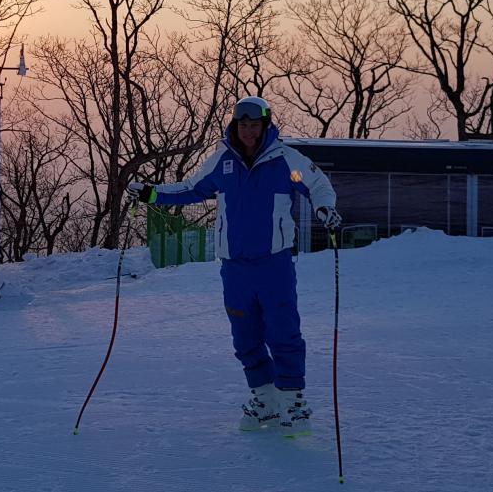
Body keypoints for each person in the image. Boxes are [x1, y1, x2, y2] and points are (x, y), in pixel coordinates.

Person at [127, 96, 341, 434]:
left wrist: (324, 208)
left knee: (283, 331)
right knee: (245, 336)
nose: (248, 130)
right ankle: (265, 399)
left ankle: (293, 402)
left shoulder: (287, 162)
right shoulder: (222, 162)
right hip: (235, 268)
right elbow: (191, 190)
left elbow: (315, 184)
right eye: (243, 123)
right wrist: (151, 194)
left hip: (274, 264)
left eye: (255, 124)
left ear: (265, 125)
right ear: (235, 125)